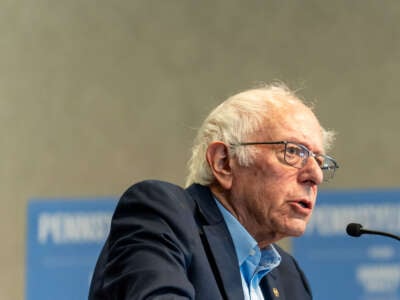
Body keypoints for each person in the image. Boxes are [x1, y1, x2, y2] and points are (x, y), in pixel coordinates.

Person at [88, 83, 338, 300]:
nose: (315, 175)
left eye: (319, 160)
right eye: (293, 152)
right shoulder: (163, 217)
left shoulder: (289, 277)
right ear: (223, 162)